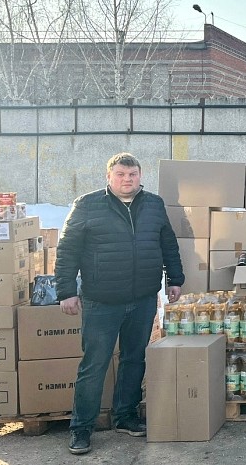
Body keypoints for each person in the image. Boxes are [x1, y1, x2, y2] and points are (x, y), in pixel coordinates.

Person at [56, 153, 184, 455]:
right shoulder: (87, 205)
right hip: (102, 301)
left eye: (132, 174)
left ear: (140, 176)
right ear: (109, 176)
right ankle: (81, 428)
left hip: (142, 299)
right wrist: (66, 291)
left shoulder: (153, 204)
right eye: (121, 174)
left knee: (134, 359)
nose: (127, 179)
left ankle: (125, 416)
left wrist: (175, 279)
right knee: (94, 364)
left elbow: (168, 243)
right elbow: (67, 250)